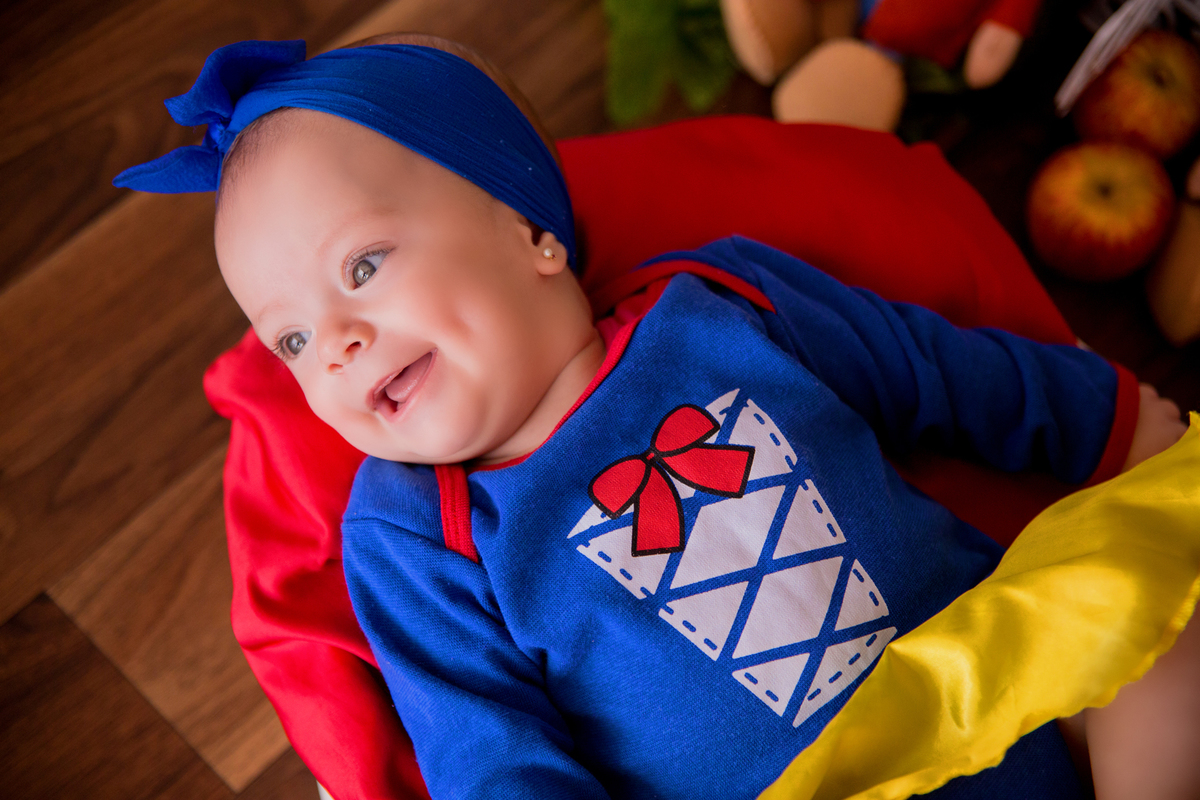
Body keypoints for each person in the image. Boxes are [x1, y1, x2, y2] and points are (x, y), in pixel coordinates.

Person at [115, 35, 1198, 800]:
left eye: (362, 267)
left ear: (529, 233)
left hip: (1000, 680)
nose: (337, 344)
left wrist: (1108, 419)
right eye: (290, 340)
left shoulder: (717, 303)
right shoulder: (412, 532)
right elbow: (490, 754)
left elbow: (933, 370)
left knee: (1164, 623)